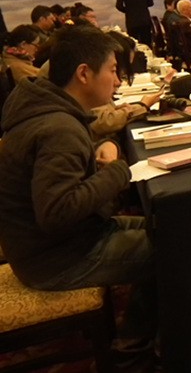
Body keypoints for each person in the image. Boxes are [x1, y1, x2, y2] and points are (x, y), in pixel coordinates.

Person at [0, 26, 155, 363]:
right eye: (112, 70)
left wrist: (100, 159)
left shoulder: (46, 108)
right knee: (176, 247)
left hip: (55, 242)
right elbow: (57, 211)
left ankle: (138, 338)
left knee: (167, 225)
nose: (117, 81)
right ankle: (134, 352)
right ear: (84, 74)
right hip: (56, 259)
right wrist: (117, 171)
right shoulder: (58, 127)